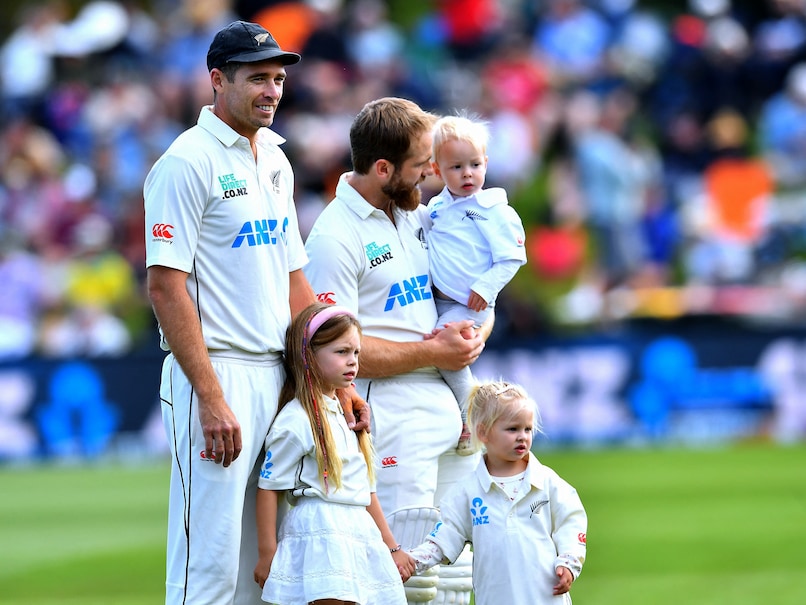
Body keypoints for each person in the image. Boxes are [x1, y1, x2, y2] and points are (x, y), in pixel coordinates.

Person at [143, 21, 367, 605]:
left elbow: (295, 279)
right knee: (208, 565)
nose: (272, 90)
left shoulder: (274, 158)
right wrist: (211, 395)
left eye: (278, 78)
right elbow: (166, 287)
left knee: (265, 566)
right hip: (216, 374)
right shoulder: (185, 163)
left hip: (279, 375)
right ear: (218, 81)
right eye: (257, 78)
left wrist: (336, 379)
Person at [303, 96, 486, 605]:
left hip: (450, 412)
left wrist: (474, 333)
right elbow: (332, 352)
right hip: (390, 416)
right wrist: (436, 355)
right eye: (420, 165)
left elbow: (459, 297)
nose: (431, 172)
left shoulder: (412, 214)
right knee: (410, 577)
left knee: (455, 575)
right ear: (382, 168)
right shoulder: (334, 238)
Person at [253, 302, 414, 604]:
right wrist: (267, 553)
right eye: (341, 352)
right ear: (308, 356)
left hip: (357, 531)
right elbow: (269, 487)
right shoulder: (296, 420)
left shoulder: (345, 414)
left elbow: (366, 491)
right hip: (321, 532)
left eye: (356, 352)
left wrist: (391, 547)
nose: (352, 362)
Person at [409, 381, 588, 605]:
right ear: (483, 432)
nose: (522, 436)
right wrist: (411, 561)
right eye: (512, 429)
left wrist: (569, 561)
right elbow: (444, 538)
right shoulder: (466, 492)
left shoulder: (547, 482)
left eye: (528, 429)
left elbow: (571, 522)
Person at [426, 113, 527, 451]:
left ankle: (470, 416)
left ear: (486, 162)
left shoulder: (493, 208)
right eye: (456, 167)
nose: (467, 174)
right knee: (437, 351)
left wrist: (485, 287)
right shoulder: (436, 208)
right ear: (437, 170)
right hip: (438, 300)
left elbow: (513, 257)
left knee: (444, 350)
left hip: (471, 303)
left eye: (474, 164)